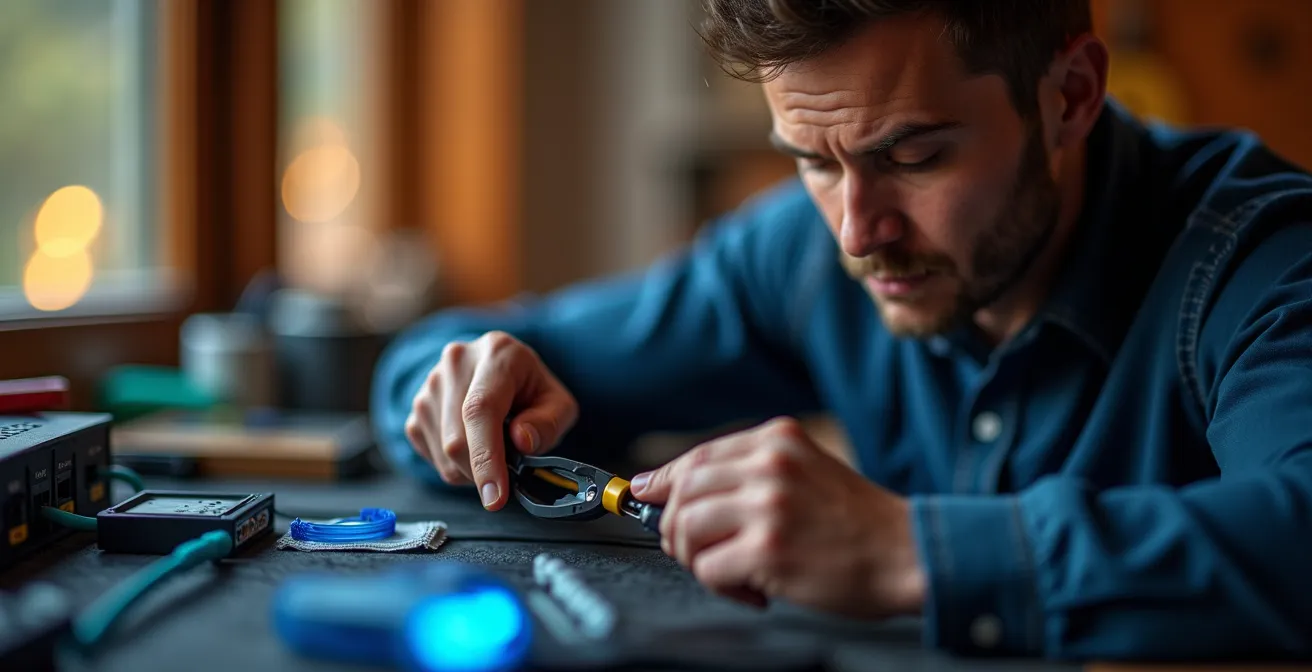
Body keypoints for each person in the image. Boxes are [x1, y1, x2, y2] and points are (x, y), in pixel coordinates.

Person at [371, 0, 1312, 661]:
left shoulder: (1263, 259)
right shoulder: (799, 252)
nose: (858, 233)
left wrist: (910, 552)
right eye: (811, 162)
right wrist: (453, 385)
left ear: (1068, 95)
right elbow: (472, 359)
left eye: (913, 155)